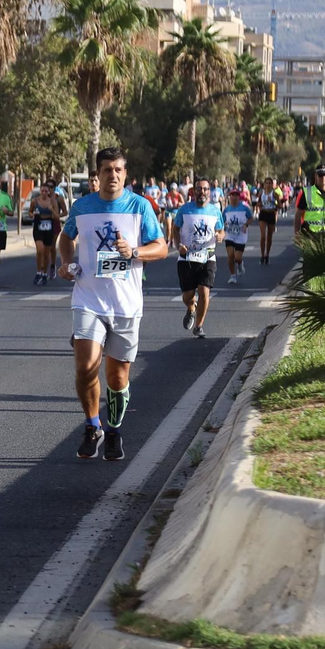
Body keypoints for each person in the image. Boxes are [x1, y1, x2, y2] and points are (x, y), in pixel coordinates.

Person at [57, 148, 168, 462]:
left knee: (117, 379)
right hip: (88, 299)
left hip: (126, 304)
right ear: (98, 174)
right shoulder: (83, 207)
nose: (113, 175)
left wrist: (133, 252)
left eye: (118, 169)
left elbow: (160, 248)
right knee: (85, 366)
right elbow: (66, 238)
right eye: (107, 170)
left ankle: (114, 430)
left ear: (125, 173)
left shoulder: (139, 207)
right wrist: (66, 263)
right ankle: (93, 426)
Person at [173, 178, 225, 339]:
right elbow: (175, 229)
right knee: (188, 296)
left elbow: (221, 230)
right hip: (187, 257)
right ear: (194, 191)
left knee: (204, 292)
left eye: (205, 189)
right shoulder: (184, 210)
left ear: (209, 192)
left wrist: (220, 236)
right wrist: (178, 245)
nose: (202, 192)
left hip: (208, 256)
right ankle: (191, 308)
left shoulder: (215, 211)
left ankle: (199, 326)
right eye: (199, 189)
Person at [30, 181, 66, 286]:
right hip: (38, 226)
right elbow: (30, 212)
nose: (45, 192)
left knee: (46, 253)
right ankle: (38, 272)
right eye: (43, 190)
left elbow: (57, 216)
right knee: (39, 250)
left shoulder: (53, 201)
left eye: (47, 190)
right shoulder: (35, 201)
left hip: (49, 226)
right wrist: (33, 214)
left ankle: (45, 273)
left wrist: (52, 210)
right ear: (40, 191)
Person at [221, 186, 252, 286]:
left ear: (239, 197)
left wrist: (246, 225)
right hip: (230, 234)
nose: (234, 197)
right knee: (230, 255)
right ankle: (232, 275)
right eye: (232, 195)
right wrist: (223, 227)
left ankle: (239, 264)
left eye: (236, 195)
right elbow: (221, 221)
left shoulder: (244, 208)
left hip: (241, 235)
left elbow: (251, 218)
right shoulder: (226, 210)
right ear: (230, 197)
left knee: (237, 258)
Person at [255, 176, 282, 265]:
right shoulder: (261, 193)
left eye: (270, 183)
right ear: (264, 184)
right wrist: (259, 205)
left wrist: (273, 202)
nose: (268, 185)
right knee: (263, 236)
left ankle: (267, 255)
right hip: (263, 214)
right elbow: (258, 203)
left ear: (272, 185)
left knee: (269, 237)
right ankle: (262, 255)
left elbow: (280, 206)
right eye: (266, 183)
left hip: (271, 214)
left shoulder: (274, 194)